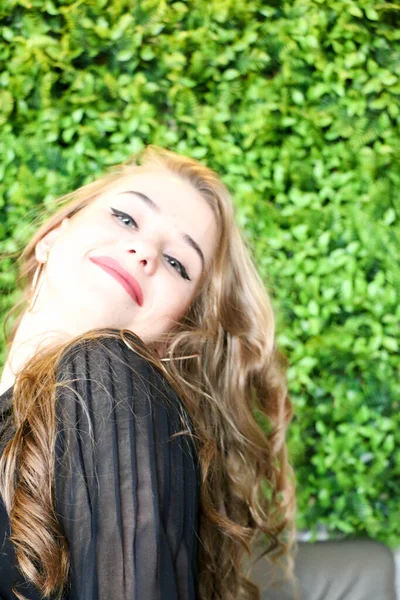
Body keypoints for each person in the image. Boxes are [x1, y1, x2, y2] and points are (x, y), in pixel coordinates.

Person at [0, 145, 295, 600]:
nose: (143, 251)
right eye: (125, 218)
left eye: (178, 264)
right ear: (52, 235)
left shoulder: (107, 373)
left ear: (174, 331)